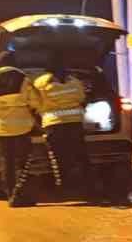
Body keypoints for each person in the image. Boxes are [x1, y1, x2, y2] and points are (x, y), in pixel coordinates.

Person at [0, 52, 38, 207]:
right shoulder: (23, 79)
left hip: (1, 128)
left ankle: (10, 194)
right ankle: (22, 195)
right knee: (23, 163)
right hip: (22, 127)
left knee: (7, 162)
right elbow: (34, 101)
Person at [31, 64, 90, 197]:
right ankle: (87, 185)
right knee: (80, 156)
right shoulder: (75, 83)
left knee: (59, 158)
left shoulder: (41, 84)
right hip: (75, 123)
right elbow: (82, 98)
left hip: (53, 124)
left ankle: (64, 187)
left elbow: (35, 102)